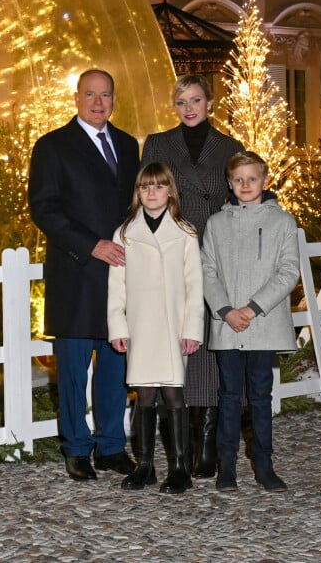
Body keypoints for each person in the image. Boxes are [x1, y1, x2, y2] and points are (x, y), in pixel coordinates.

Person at [28, 68, 140, 482]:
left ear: (114, 99)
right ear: (76, 98)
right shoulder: (52, 146)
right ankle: (76, 448)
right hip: (76, 274)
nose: (98, 103)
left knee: (115, 367)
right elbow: (44, 208)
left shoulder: (129, 146)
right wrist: (92, 244)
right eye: (90, 95)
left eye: (105, 95)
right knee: (73, 372)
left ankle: (111, 445)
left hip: (119, 276)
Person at [141, 74, 243, 479]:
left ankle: (208, 442)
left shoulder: (231, 147)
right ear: (174, 105)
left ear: (209, 102)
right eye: (181, 101)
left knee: (213, 341)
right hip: (174, 246)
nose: (189, 108)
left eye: (196, 100)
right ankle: (185, 442)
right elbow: (146, 192)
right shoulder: (157, 144)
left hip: (217, 249)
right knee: (182, 341)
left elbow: (242, 193)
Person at [201, 151, 300, 493]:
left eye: (252, 178)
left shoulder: (283, 222)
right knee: (229, 395)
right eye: (238, 180)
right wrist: (227, 309)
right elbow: (207, 270)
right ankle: (226, 467)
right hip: (228, 324)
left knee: (260, 396)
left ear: (265, 180)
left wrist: (253, 308)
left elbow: (288, 271)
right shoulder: (216, 224)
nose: (245, 185)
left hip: (263, 324)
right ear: (230, 183)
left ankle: (264, 464)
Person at [108, 162, 204, 494]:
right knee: (144, 394)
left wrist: (192, 329)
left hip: (174, 327)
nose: (152, 193)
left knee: (174, 393)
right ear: (138, 193)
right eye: (145, 187)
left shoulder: (186, 232)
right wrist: (117, 325)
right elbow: (116, 286)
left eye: (158, 186)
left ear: (170, 191)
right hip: (140, 326)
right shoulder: (124, 234)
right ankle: (145, 466)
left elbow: (195, 285)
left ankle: (180, 468)